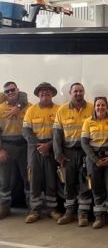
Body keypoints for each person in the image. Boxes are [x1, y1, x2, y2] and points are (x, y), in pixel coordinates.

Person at [53, 83, 94, 227]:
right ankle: (69, 212)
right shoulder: (62, 110)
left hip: (86, 152)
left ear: (84, 92)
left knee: (85, 182)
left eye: (80, 91)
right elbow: (57, 134)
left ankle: (82, 214)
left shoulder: (92, 108)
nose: (78, 93)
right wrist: (58, 153)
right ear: (70, 92)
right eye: (75, 91)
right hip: (68, 152)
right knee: (69, 183)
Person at [22, 82, 61, 223]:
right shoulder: (31, 110)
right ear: (38, 95)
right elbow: (25, 131)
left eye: (48, 92)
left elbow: (60, 133)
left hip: (52, 148)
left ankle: (52, 210)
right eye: (42, 92)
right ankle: (35, 211)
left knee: (51, 179)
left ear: (52, 94)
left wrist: (49, 145)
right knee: (34, 179)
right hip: (34, 148)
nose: (45, 94)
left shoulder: (59, 110)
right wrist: (40, 145)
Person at [81, 97, 108, 229]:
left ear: (107, 106)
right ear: (95, 107)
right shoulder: (88, 122)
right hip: (94, 159)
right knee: (97, 188)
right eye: (98, 105)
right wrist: (95, 160)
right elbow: (84, 143)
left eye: (103, 105)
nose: (100, 107)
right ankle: (99, 217)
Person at [0, 82, 31, 218]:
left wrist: (19, 106)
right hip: (6, 147)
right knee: (5, 180)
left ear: (18, 90)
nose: (11, 92)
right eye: (7, 91)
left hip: (24, 146)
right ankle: (4, 207)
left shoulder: (28, 106)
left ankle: (32, 207)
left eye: (13, 90)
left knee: (28, 178)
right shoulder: (0, 108)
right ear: (4, 94)